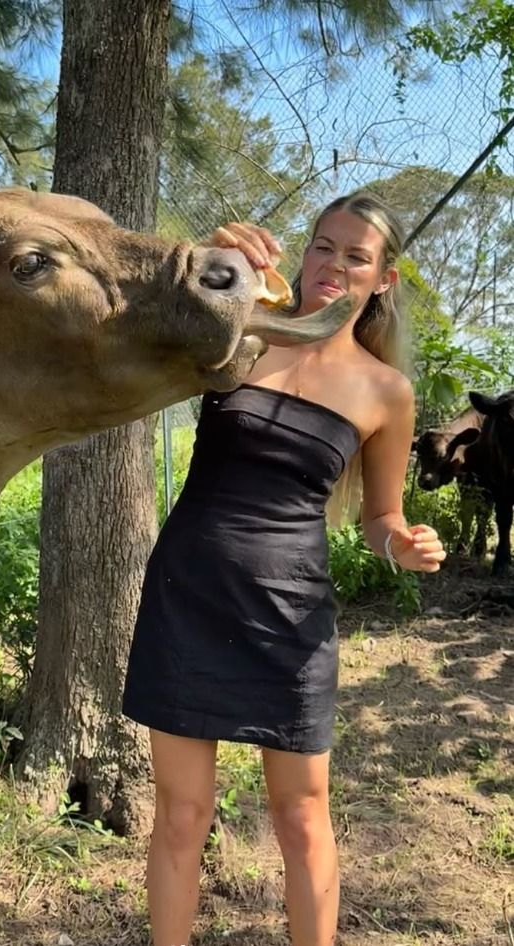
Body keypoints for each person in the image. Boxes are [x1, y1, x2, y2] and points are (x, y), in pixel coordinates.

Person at [122, 190, 446, 946]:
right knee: (181, 815)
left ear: (383, 279)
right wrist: (211, 260)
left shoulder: (386, 391)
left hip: (290, 617)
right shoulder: (242, 332)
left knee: (301, 818)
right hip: (187, 594)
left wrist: (401, 546)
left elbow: (381, 518)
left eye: (356, 256)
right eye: (323, 245)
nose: (334, 264)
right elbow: (144, 328)